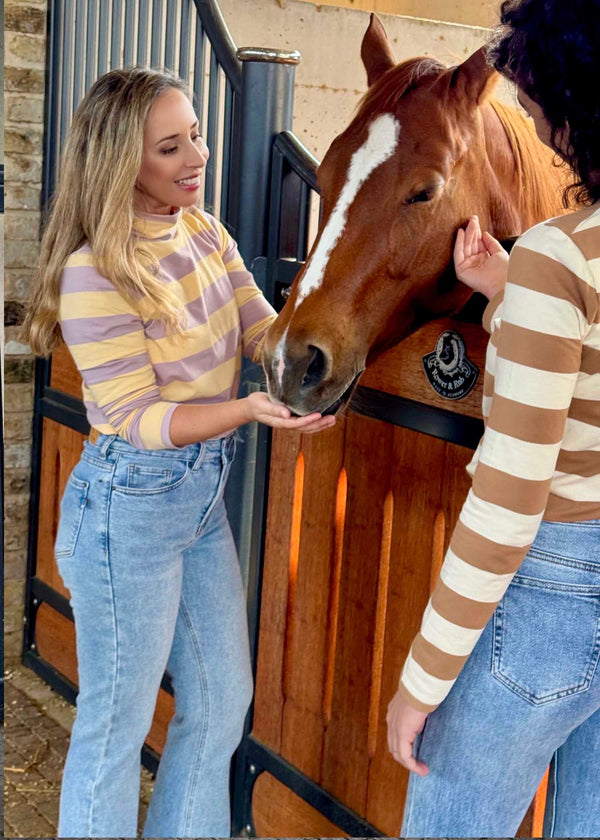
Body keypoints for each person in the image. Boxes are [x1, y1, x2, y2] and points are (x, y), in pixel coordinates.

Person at [23, 67, 335, 839]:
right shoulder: (95, 271)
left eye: (195, 134)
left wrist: (316, 335)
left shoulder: (204, 231)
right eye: (172, 146)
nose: (197, 155)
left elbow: (262, 327)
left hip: (197, 500)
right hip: (127, 508)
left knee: (223, 700)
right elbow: (137, 418)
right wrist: (249, 409)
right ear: (124, 162)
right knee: (114, 728)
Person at [385, 0, 600, 836]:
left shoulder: (562, 256)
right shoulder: (554, 268)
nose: (535, 114)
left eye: (542, 94)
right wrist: (513, 293)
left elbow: (511, 503)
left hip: (551, 593)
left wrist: (421, 683)